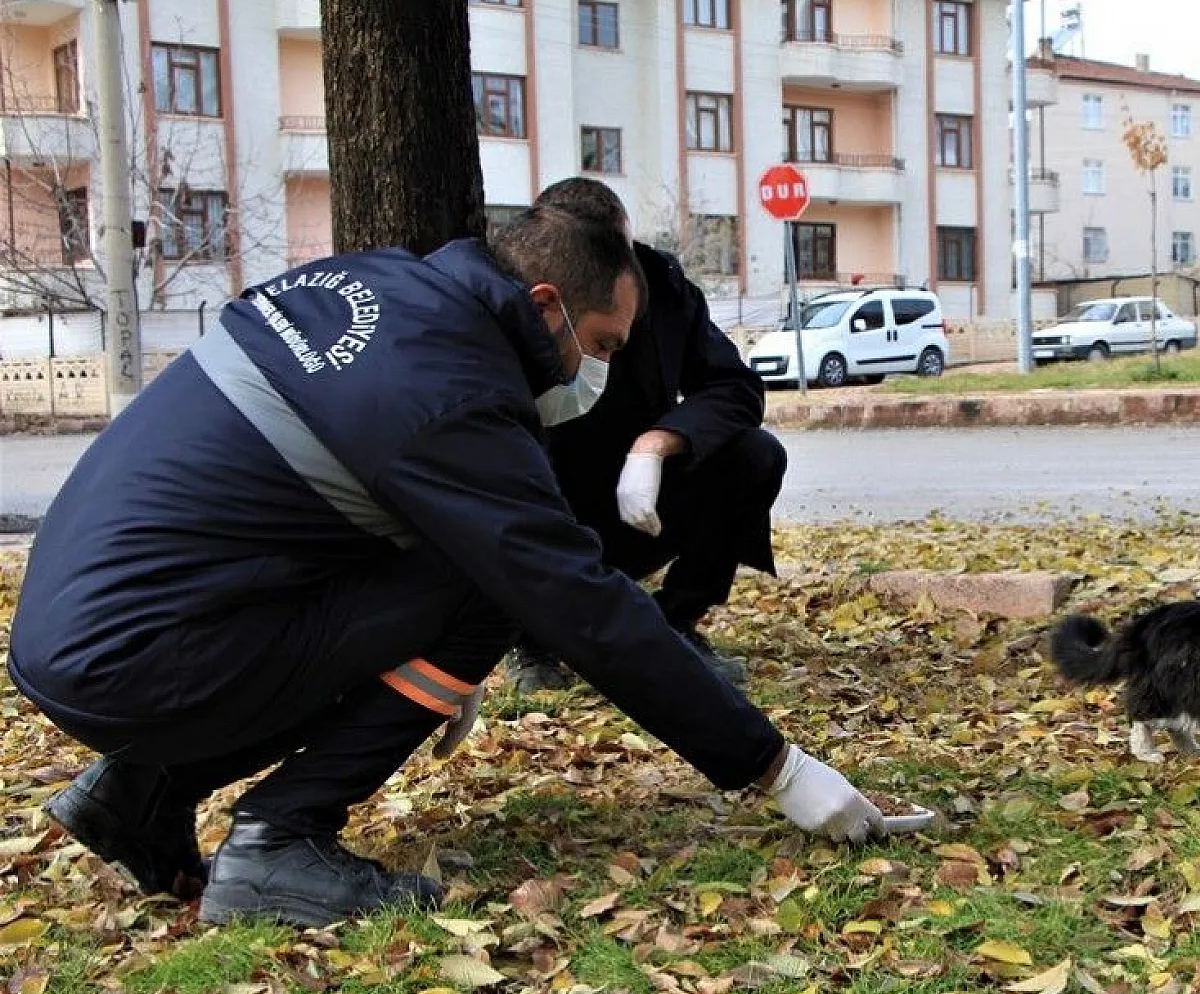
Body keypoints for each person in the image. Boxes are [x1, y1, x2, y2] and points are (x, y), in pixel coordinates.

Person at [7, 207, 884, 928]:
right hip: (138, 657)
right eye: (605, 344)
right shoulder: (450, 391)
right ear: (544, 306)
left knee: (459, 575)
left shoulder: (383, 287)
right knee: (488, 588)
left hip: (85, 627)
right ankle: (279, 840)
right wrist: (777, 767)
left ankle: (135, 793)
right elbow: (579, 602)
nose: (604, 371)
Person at [505, 177, 781, 692]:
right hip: (547, 501)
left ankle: (674, 623)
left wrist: (656, 445)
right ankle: (532, 640)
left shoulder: (663, 286)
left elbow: (736, 387)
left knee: (755, 454)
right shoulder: (512, 299)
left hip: (641, 502)